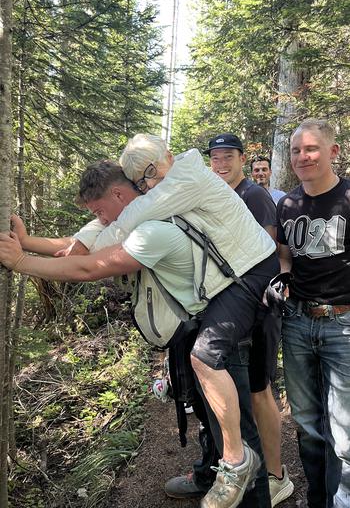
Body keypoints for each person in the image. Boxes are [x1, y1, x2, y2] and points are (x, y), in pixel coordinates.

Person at [4, 147, 278, 508]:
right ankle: (214, 472)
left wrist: (22, 262)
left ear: (119, 195)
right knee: (211, 416)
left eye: (100, 211)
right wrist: (25, 243)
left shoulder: (152, 228)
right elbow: (78, 247)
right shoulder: (130, 215)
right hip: (198, 319)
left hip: (229, 311)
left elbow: (87, 267)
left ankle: (244, 482)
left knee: (237, 429)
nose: (99, 219)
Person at [164, 133, 293, 506]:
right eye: (214, 158)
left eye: (227, 157)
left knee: (258, 390)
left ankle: (273, 475)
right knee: (229, 392)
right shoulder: (215, 192)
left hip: (255, 309)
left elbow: (262, 254)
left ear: (242, 158)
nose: (220, 163)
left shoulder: (253, 195)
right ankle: (222, 469)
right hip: (228, 309)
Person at [276, 118, 350, 508]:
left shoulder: (349, 197)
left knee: (346, 429)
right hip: (297, 323)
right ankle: (319, 498)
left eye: (311, 148)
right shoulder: (287, 204)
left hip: (343, 323)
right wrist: (283, 277)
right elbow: (286, 252)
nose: (302, 156)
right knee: (306, 424)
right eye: (296, 150)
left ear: (333, 151)